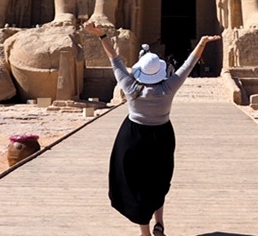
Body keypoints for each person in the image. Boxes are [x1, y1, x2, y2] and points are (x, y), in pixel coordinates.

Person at [84, 22, 221, 236]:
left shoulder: (130, 87)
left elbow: (114, 59)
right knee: (159, 179)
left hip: (133, 137)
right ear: (160, 72)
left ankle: (145, 232)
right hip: (162, 136)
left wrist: (101, 35)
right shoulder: (168, 88)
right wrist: (202, 43)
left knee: (137, 185)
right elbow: (189, 64)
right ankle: (159, 222)